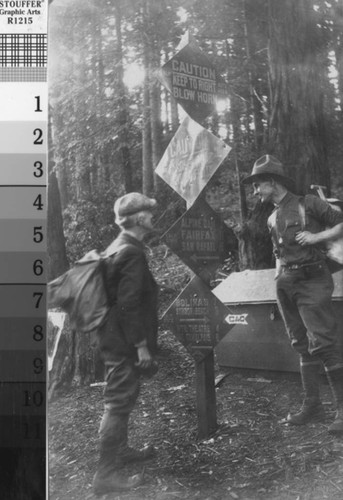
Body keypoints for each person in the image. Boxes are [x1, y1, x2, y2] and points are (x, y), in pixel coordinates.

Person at [242, 155, 343, 434]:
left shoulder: (308, 203)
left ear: (273, 183)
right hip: (286, 281)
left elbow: (340, 223)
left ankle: (342, 411)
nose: (255, 191)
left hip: (312, 278)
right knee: (299, 341)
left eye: (258, 185)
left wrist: (315, 238)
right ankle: (313, 405)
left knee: (322, 341)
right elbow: (279, 252)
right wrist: (279, 279)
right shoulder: (272, 216)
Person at [93, 192, 159, 496]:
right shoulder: (131, 251)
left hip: (112, 335)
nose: (152, 216)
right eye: (149, 212)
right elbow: (128, 304)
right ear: (140, 219)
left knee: (121, 395)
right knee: (118, 402)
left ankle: (121, 452)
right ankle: (105, 475)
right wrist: (141, 345)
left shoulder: (119, 245)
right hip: (123, 338)